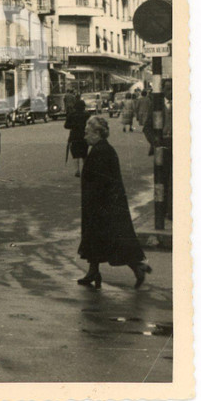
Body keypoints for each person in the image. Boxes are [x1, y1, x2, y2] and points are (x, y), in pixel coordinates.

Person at [76, 116, 152, 290]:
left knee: (112, 240)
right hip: (101, 203)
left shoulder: (101, 151)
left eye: (87, 133)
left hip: (103, 205)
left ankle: (138, 268)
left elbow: (101, 182)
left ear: (97, 133)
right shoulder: (101, 149)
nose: (85, 136)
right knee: (96, 238)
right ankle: (93, 271)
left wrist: (96, 205)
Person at [65, 96, 90, 178]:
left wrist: (74, 126)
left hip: (74, 136)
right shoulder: (87, 114)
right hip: (84, 136)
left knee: (75, 154)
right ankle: (85, 169)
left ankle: (77, 170)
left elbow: (66, 125)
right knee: (84, 154)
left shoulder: (71, 115)